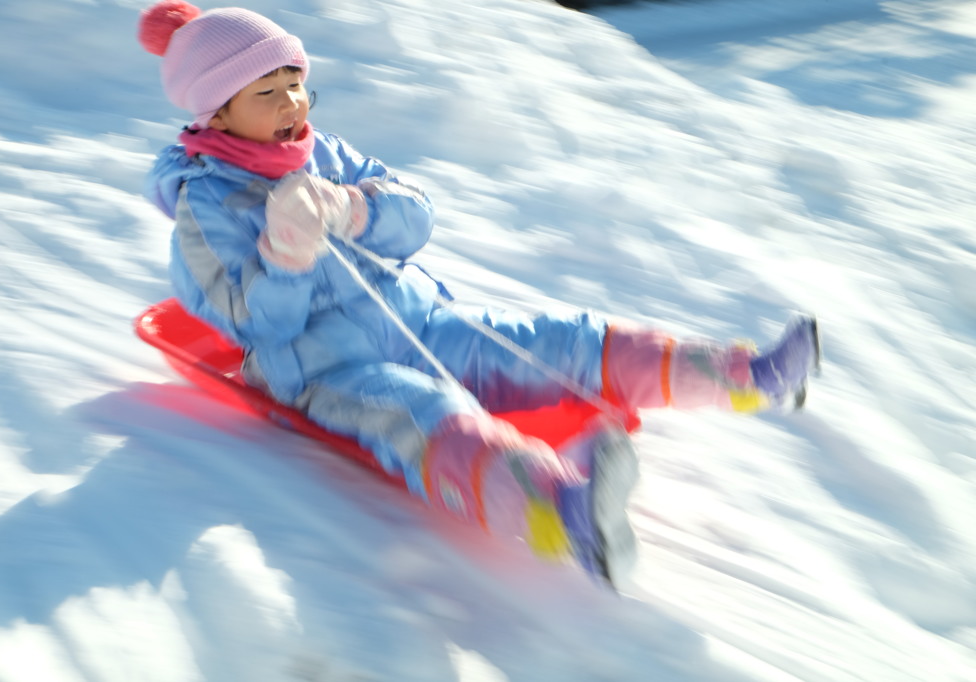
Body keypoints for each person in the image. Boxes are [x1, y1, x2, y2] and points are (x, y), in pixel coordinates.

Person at [138, 0, 819, 586]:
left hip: (420, 321)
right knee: (428, 413)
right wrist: (284, 257)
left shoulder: (324, 154)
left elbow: (416, 217)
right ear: (217, 113)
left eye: (296, 84)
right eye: (268, 93)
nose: (292, 105)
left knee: (555, 340)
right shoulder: (207, 212)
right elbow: (258, 327)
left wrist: (354, 209)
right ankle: (563, 515)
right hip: (323, 368)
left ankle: (745, 374)